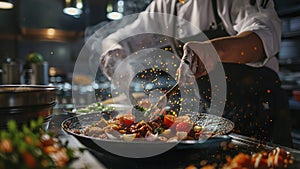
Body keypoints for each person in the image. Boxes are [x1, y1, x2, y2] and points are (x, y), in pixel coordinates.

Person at [99, 0, 292, 146]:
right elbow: (120, 37)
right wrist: (114, 51)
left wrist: (215, 51)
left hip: (257, 110)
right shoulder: (166, 5)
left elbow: (265, 37)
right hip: (211, 118)